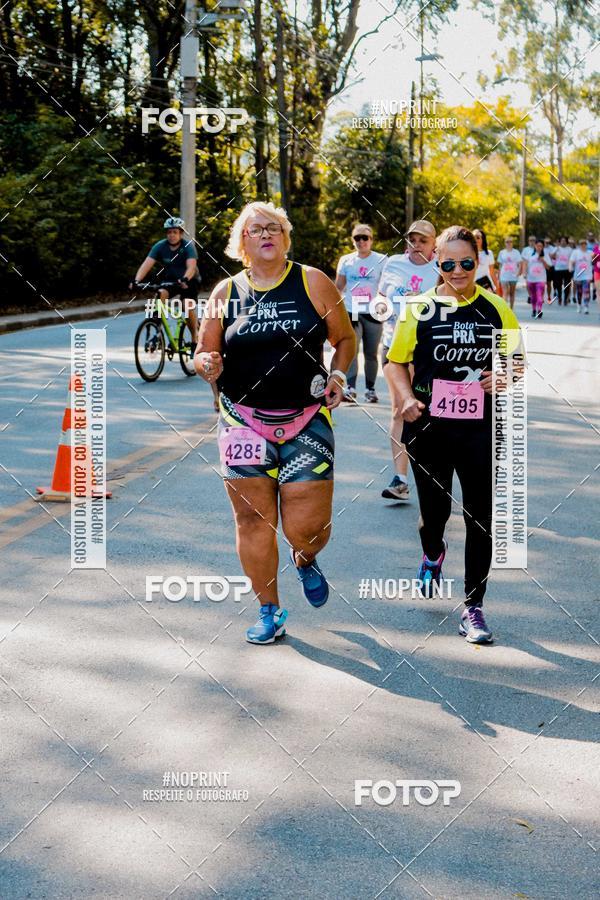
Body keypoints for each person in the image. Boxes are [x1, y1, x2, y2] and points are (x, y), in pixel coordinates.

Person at [195, 201, 355, 644]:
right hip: (242, 419)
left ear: (285, 236)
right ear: (241, 243)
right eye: (255, 230)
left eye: (274, 228)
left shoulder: (313, 281)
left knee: (307, 528)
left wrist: (338, 375)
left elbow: (344, 337)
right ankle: (270, 610)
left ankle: (305, 559)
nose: (265, 234)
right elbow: (206, 351)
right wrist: (205, 362)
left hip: (307, 417)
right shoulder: (226, 293)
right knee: (251, 519)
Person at [385, 225, 522, 644]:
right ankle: (433, 552)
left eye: (466, 263)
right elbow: (394, 362)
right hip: (428, 428)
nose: (457, 270)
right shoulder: (418, 309)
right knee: (435, 516)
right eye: (448, 263)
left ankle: (474, 607)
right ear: (436, 263)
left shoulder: (497, 308)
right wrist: (405, 398)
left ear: (478, 262)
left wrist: (504, 375)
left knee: (480, 518)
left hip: (480, 430)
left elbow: (517, 361)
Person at [378, 220, 438, 501]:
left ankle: (434, 475)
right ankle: (400, 478)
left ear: (433, 245)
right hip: (394, 347)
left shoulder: (442, 268)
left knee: (428, 412)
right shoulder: (393, 264)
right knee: (400, 409)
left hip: (428, 352)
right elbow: (380, 299)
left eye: (423, 241)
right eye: (412, 239)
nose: (416, 245)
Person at [335, 225, 386, 403]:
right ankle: (350, 388)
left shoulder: (381, 260)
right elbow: (338, 288)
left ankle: (370, 390)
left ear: (371, 240)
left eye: (365, 237)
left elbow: (386, 286)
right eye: (357, 238)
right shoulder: (346, 260)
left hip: (373, 312)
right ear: (352, 240)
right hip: (352, 311)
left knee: (371, 353)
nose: (361, 241)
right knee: (352, 351)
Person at [132, 217, 201, 346]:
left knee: (187, 305)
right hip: (170, 281)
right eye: (169, 232)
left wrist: (185, 278)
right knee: (161, 293)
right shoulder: (160, 246)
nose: (172, 235)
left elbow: (191, 267)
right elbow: (146, 264)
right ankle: (156, 330)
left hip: (189, 280)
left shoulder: (187, 246)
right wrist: (136, 281)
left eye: (175, 232)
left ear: (181, 233)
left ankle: (194, 339)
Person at [522, 239, 550, 318]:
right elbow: (525, 264)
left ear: (543, 247)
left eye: (541, 246)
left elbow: (548, 267)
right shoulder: (530, 254)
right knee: (533, 296)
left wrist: (543, 260)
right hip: (531, 278)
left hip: (541, 279)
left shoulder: (545, 255)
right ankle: (534, 309)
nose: (539, 247)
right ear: (535, 246)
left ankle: (539, 310)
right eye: (538, 246)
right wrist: (524, 273)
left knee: (539, 295)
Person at [569, 238, 593, 314]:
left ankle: (586, 306)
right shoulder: (575, 252)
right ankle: (579, 305)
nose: (583, 246)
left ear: (586, 245)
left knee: (586, 291)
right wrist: (570, 267)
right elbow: (571, 261)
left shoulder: (590, 253)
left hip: (587, 275)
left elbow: (596, 257)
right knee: (579, 292)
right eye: (581, 244)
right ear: (579, 245)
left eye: (584, 244)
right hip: (578, 275)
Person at [497, 236, 521, 309]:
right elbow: (500, 265)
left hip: (513, 275)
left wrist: (518, 273)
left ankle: (511, 309)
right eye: (507, 242)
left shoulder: (516, 252)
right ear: (505, 243)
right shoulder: (502, 252)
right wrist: (499, 274)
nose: (509, 243)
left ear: (512, 243)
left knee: (512, 293)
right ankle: (505, 309)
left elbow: (520, 264)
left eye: (510, 242)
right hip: (504, 275)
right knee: (505, 292)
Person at [553, 236, 573, 305]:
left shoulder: (570, 249)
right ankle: (560, 297)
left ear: (566, 242)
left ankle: (565, 299)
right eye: (562, 241)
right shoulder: (556, 248)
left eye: (564, 241)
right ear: (560, 241)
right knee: (558, 285)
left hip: (567, 269)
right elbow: (552, 256)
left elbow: (572, 259)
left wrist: (571, 268)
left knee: (567, 285)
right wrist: (556, 249)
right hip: (558, 269)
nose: (563, 242)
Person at [521, 234, 537, 305]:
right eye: (530, 240)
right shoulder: (525, 250)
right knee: (528, 285)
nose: (532, 242)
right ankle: (530, 295)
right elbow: (523, 261)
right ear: (528, 241)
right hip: (528, 270)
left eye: (533, 240)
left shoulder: (538, 249)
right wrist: (524, 272)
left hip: (537, 271)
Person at [543, 237, 556, 303]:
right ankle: (541, 297)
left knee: (549, 283)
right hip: (542, 267)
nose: (547, 244)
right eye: (546, 242)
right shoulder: (541, 247)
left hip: (550, 267)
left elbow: (554, 257)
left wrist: (551, 256)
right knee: (542, 283)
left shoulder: (552, 248)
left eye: (548, 242)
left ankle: (548, 296)